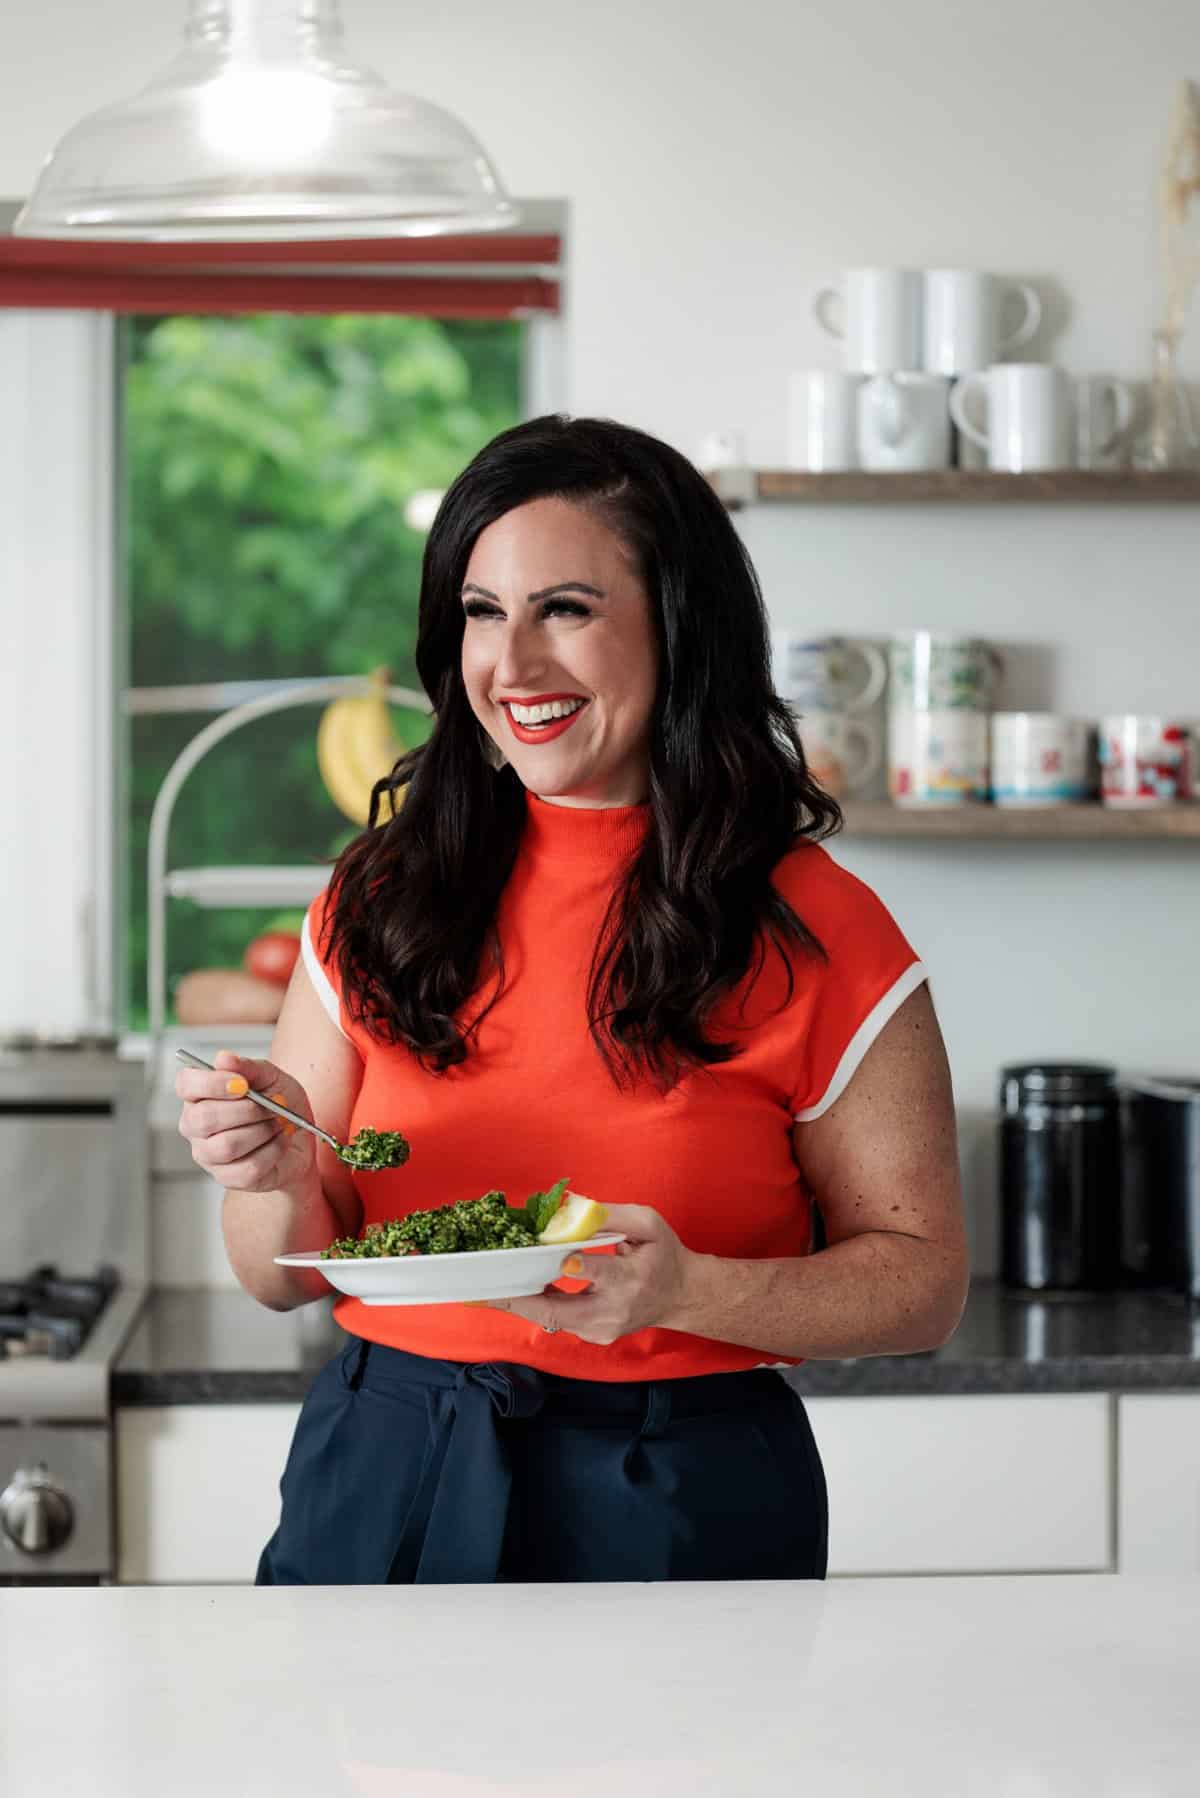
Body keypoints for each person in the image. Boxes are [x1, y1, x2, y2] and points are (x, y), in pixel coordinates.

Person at [176, 413, 968, 1585]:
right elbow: (277, 1274)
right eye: (482, 611)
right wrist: (281, 1172)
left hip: (681, 1483)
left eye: (565, 609)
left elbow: (922, 1284)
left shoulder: (817, 924)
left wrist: (689, 1289)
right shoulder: (381, 897)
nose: (512, 665)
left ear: (680, 624)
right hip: (389, 1459)